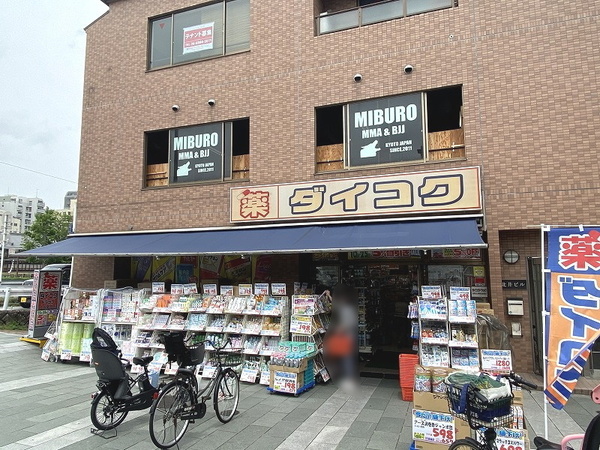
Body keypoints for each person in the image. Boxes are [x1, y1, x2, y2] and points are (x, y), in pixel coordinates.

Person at [323, 283, 358, 391]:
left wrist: (339, 329)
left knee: (347, 358)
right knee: (342, 358)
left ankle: (350, 380)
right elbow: (336, 305)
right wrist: (329, 296)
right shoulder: (343, 307)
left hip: (347, 337)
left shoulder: (348, 309)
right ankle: (344, 378)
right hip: (343, 338)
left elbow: (350, 323)